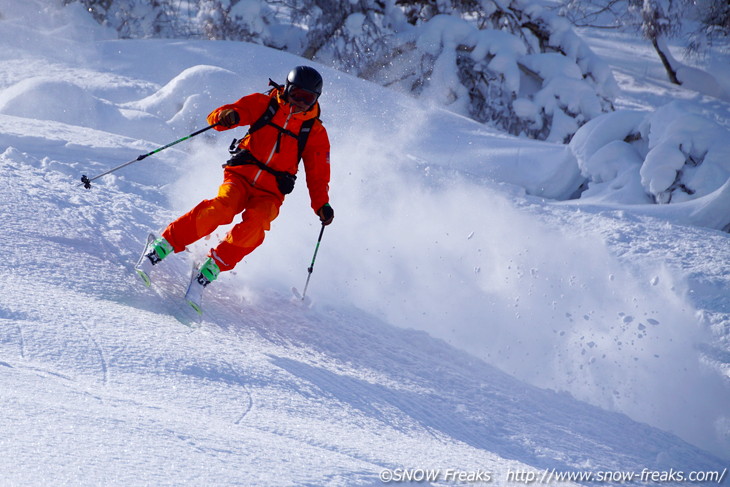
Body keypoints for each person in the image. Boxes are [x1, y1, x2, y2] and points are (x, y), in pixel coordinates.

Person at [135, 65, 334, 311]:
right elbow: (219, 116)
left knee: (256, 224)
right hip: (241, 175)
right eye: (296, 95)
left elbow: (318, 174)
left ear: (316, 100)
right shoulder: (265, 104)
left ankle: (211, 268)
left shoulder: (314, 131)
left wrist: (321, 204)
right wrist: (227, 116)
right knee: (222, 208)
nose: (300, 103)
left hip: (271, 192)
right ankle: (162, 246)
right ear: (287, 89)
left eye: (308, 98)